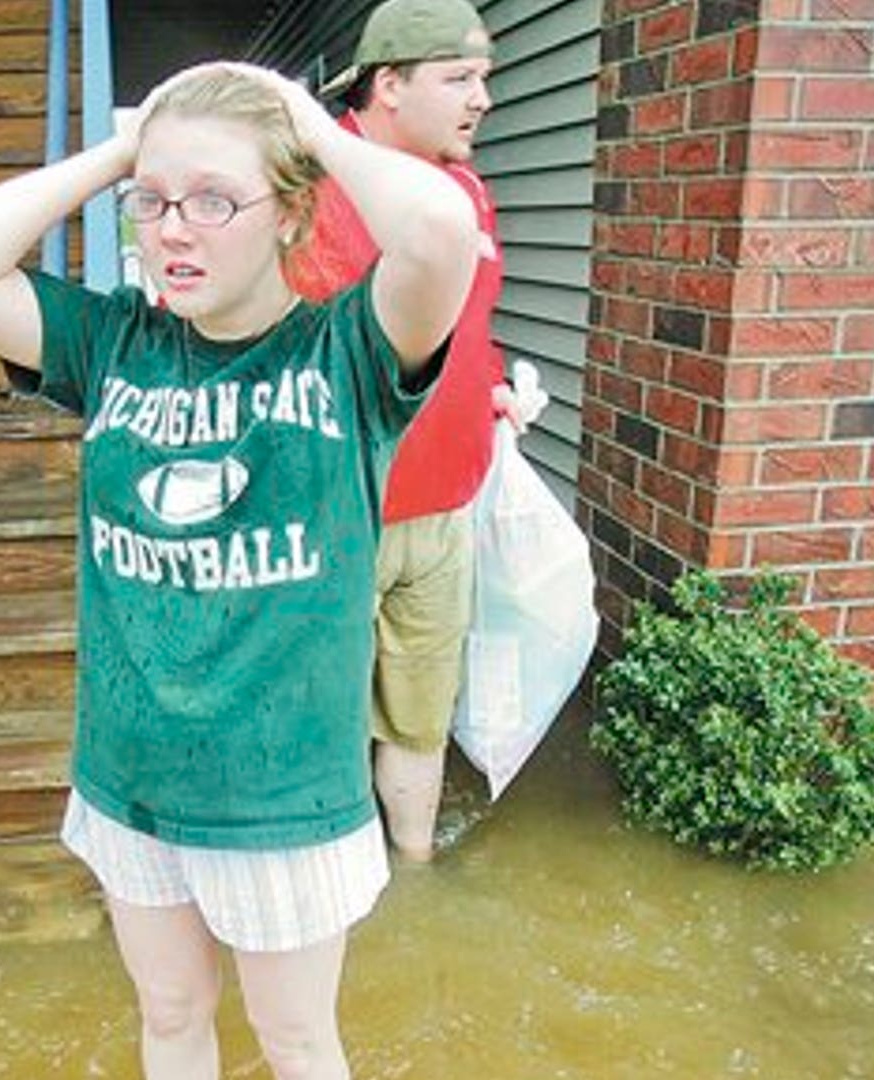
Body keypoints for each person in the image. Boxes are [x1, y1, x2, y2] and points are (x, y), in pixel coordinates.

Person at [0, 62, 475, 1080]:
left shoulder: (349, 353)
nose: (173, 229)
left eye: (214, 201)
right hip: (132, 776)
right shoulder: (117, 343)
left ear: (294, 214)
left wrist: (306, 124)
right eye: (154, 204)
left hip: (281, 792)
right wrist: (133, 147)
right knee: (169, 1019)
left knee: (297, 1040)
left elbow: (437, 232)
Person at [285, 0, 504, 864]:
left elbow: (473, 326)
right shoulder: (299, 189)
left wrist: (491, 392)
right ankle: (323, 891)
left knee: (421, 713)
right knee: (315, 719)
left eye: (485, 78)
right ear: (387, 85)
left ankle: (415, 880)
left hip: (443, 511)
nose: (481, 99)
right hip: (329, 518)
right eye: (459, 78)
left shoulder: (466, 185)